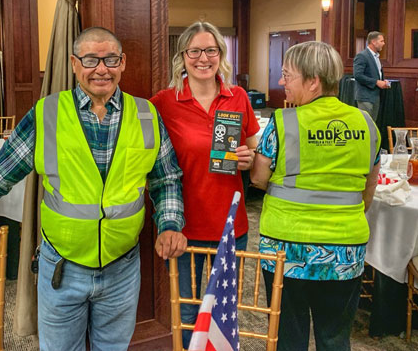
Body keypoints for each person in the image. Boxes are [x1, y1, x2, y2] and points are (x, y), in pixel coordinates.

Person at [0, 27, 187, 351]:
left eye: (110, 59)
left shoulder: (146, 114)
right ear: (75, 64)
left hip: (122, 270)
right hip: (62, 270)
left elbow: (166, 178)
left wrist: (170, 224)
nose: (101, 68)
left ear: (123, 63)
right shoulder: (47, 114)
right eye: (90, 59)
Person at [250, 41, 381, 351]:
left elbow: (258, 178)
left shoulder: (283, 123)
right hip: (345, 251)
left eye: (287, 75)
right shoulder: (366, 123)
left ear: (313, 81)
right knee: (335, 337)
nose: (282, 82)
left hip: (286, 250)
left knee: (289, 337)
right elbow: (369, 188)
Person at [151, 21, 259, 348]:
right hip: (184, 227)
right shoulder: (163, 102)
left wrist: (249, 157)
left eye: (211, 50)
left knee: (223, 317)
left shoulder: (237, 96)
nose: (203, 58)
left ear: (221, 55)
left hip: (230, 225)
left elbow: (257, 150)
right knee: (187, 318)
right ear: (182, 57)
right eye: (194, 51)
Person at [353, 30, 390, 121]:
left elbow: (377, 74)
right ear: (373, 42)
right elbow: (358, 75)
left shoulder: (376, 57)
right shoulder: (362, 56)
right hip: (365, 97)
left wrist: (383, 81)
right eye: (381, 41)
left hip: (375, 96)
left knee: (373, 125)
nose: (383, 43)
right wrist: (376, 82)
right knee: (366, 124)